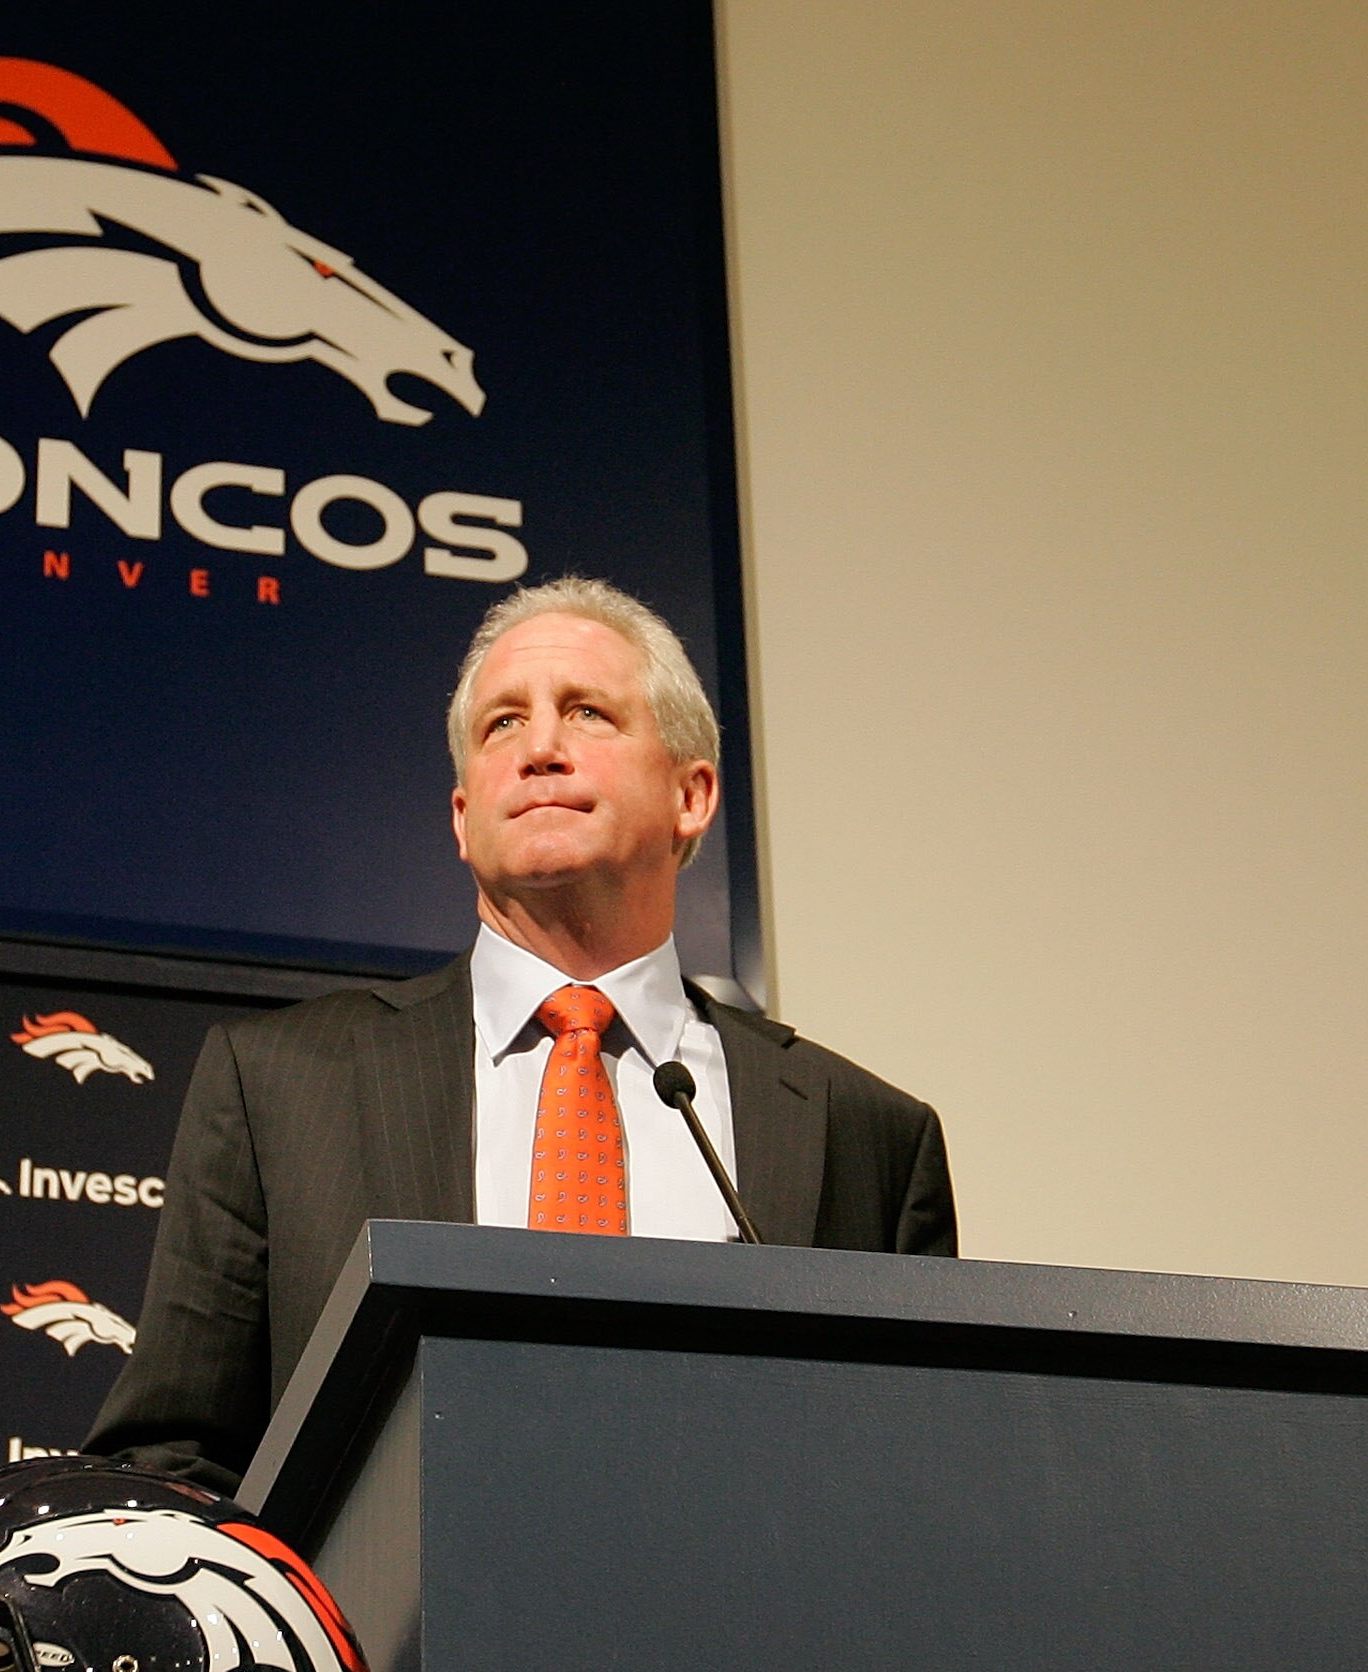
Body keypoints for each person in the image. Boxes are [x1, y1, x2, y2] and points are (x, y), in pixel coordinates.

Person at [87, 577, 956, 1488]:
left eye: (587, 713)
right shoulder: (281, 1087)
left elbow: (924, 1479)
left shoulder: (869, 1136)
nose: (540, 747)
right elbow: (171, 1463)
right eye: (502, 724)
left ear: (691, 796)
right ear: (465, 819)